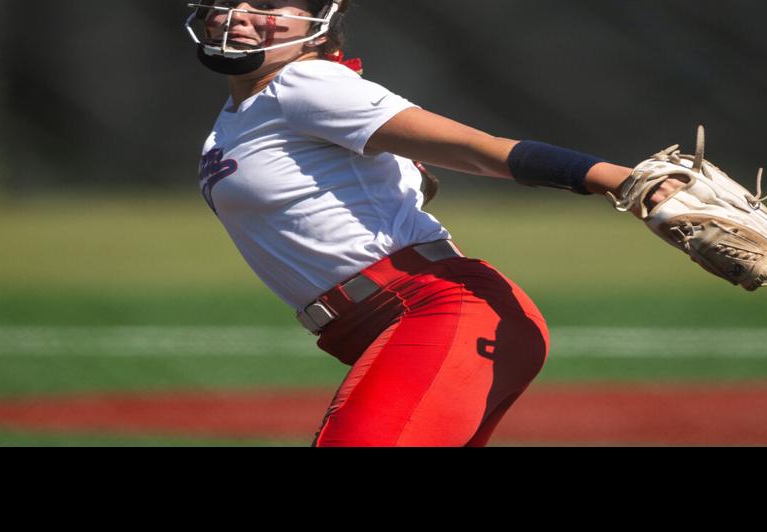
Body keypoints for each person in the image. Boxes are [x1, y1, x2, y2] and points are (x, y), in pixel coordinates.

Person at [187, 0, 676, 446]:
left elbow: (478, 149)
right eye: (227, 1)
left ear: (317, 26)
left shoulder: (307, 84)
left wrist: (624, 182)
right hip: (395, 323)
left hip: (433, 312)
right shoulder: (240, 115)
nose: (238, 14)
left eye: (269, 5)